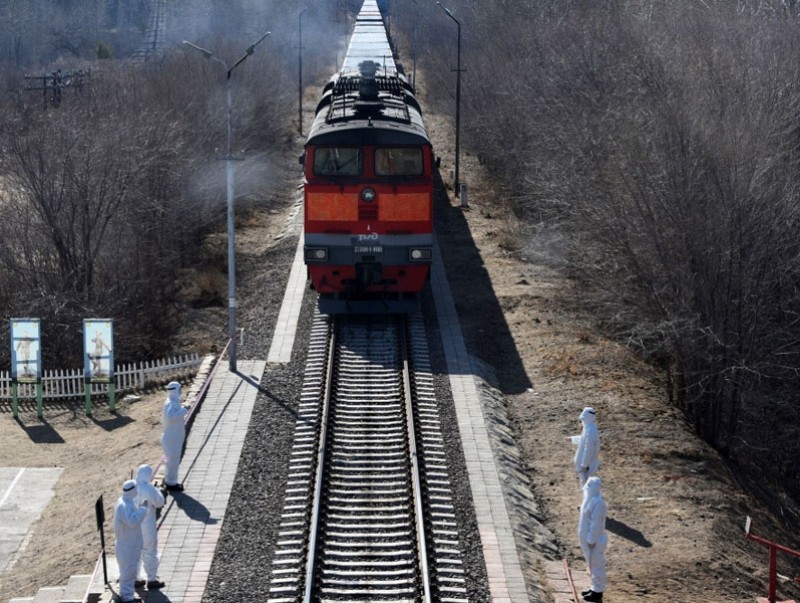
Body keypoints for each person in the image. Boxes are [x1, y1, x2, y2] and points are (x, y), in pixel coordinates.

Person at [113, 480, 148, 603]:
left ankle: (129, 596)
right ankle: (127, 597)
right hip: (126, 545)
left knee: (131, 570)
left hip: (130, 543)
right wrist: (143, 509)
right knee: (127, 572)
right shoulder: (124, 506)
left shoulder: (127, 502)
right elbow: (132, 522)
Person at [134, 464, 166, 590]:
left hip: (133, 525)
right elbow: (159, 502)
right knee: (150, 551)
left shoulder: (131, 487)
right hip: (147, 525)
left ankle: (136, 578)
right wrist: (156, 490)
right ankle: (151, 578)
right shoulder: (148, 489)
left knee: (135, 552)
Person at [578, 476, 608, 602]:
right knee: (591, 565)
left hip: (594, 542)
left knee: (597, 565)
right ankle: (593, 587)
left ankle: (598, 592)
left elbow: (597, 524)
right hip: (588, 541)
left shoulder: (598, 503)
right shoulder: (588, 500)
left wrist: (591, 539)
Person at [161, 381, 188, 491]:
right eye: (179, 389)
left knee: (174, 460)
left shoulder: (174, 401)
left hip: (174, 437)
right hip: (171, 438)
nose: (181, 392)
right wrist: (184, 410)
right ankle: (171, 483)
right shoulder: (170, 403)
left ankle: (172, 481)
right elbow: (172, 416)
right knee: (172, 461)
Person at [574, 406, 601, 487]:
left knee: (586, 484)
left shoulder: (590, 431)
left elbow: (588, 449)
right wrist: (572, 439)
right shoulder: (588, 428)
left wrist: (585, 464)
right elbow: (583, 440)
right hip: (585, 464)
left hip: (586, 466)